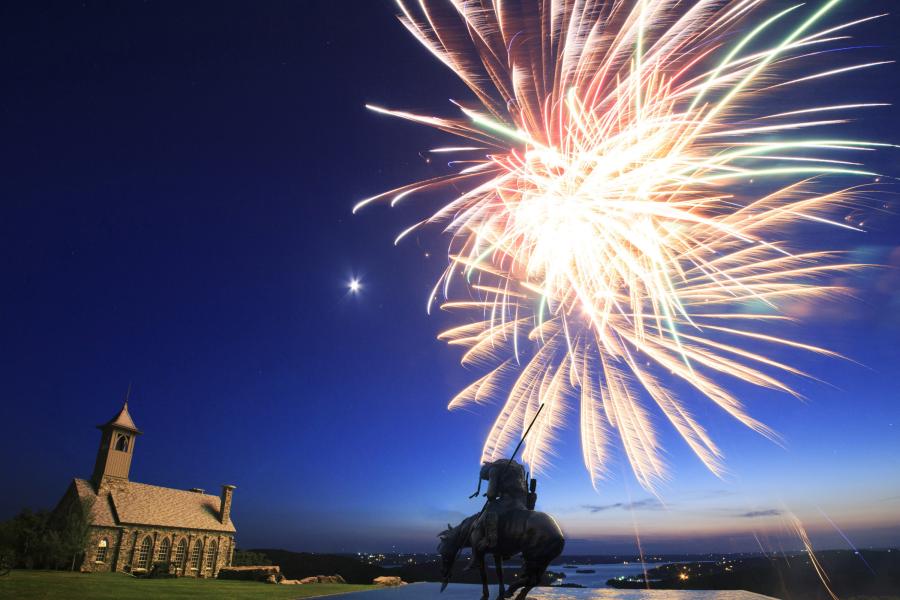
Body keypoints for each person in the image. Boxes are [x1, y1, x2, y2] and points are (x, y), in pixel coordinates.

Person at [465, 459, 529, 568]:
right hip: (523, 502)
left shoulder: (493, 470)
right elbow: (512, 486)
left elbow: (491, 495)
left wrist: (491, 494)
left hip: (509, 502)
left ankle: (490, 540)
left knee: (490, 510)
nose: (487, 479)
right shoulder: (517, 467)